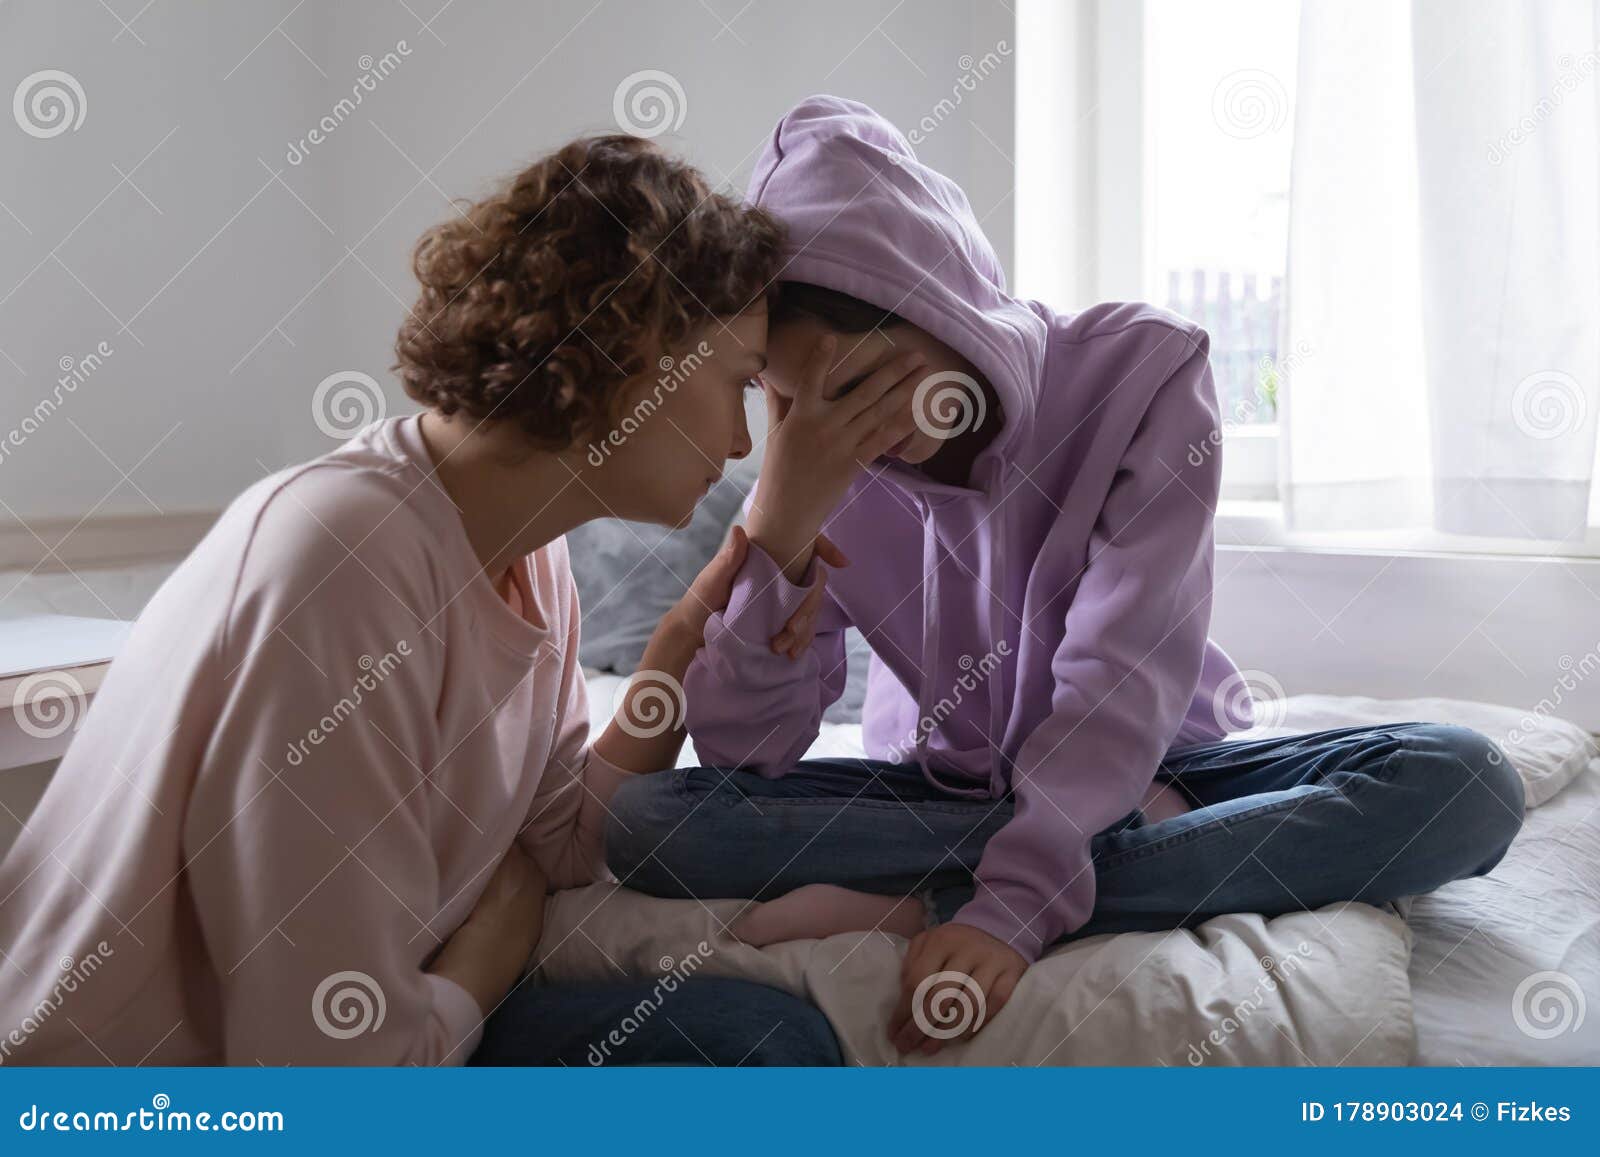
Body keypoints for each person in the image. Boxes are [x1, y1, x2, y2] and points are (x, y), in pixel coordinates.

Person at [604, 96, 1526, 1057]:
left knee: (1463, 781)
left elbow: (1115, 675)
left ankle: (929, 891)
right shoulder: (819, 466)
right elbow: (746, 759)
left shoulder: (1145, 376)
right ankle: (1018, 872)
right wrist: (779, 543)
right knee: (648, 824)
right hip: (940, 787)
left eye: (862, 387)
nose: (843, 434)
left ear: (941, 306)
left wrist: (1012, 904)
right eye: (787, 400)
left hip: (1162, 765)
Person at [0, 134, 847, 1067]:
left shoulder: (531, 559)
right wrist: (481, 964)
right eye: (740, 385)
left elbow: (564, 841)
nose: (739, 442)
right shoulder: (342, 561)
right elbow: (326, 1079)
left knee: (759, 1041)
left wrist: (683, 639)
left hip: (385, 1034)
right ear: (634, 344)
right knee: (756, 1054)